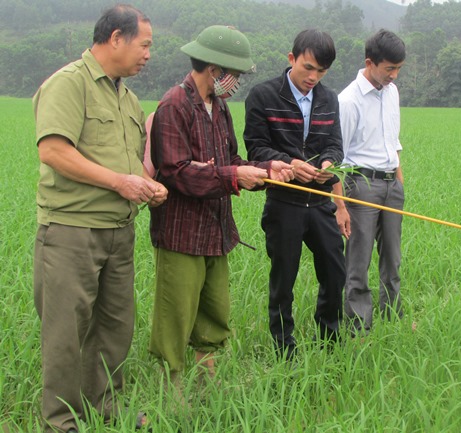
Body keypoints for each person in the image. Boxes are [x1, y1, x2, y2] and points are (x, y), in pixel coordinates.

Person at [32, 4, 167, 432]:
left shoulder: (125, 96)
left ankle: (104, 407)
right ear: (115, 38)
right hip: (72, 231)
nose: (148, 54)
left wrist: (147, 184)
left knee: (114, 326)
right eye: (144, 45)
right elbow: (53, 150)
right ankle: (60, 421)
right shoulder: (69, 84)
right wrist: (119, 182)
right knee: (66, 332)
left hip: (118, 232)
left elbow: (129, 164)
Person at [147, 25, 293, 384]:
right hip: (182, 234)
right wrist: (233, 176)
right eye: (235, 74)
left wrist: (267, 169)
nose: (236, 82)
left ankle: (205, 382)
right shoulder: (174, 106)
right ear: (214, 68)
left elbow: (231, 160)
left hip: (216, 232)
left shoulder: (220, 108)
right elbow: (178, 173)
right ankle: (173, 391)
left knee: (213, 314)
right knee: (176, 315)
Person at [244, 29, 345, 360]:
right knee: (283, 279)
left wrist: (330, 163)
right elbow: (256, 147)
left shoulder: (329, 99)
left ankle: (329, 340)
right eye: (308, 68)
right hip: (283, 203)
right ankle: (283, 349)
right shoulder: (263, 96)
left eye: (322, 71)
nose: (313, 77)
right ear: (291, 59)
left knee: (334, 271)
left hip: (319, 203)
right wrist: (289, 162)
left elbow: (335, 145)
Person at [333, 29, 406, 335]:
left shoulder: (392, 92)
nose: (394, 75)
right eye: (390, 68)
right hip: (361, 185)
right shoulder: (348, 101)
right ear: (369, 62)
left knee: (393, 258)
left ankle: (393, 318)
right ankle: (359, 328)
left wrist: (399, 182)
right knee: (358, 261)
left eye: (398, 68)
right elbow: (336, 158)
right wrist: (340, 204)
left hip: (391, 185)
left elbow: (394, 141)